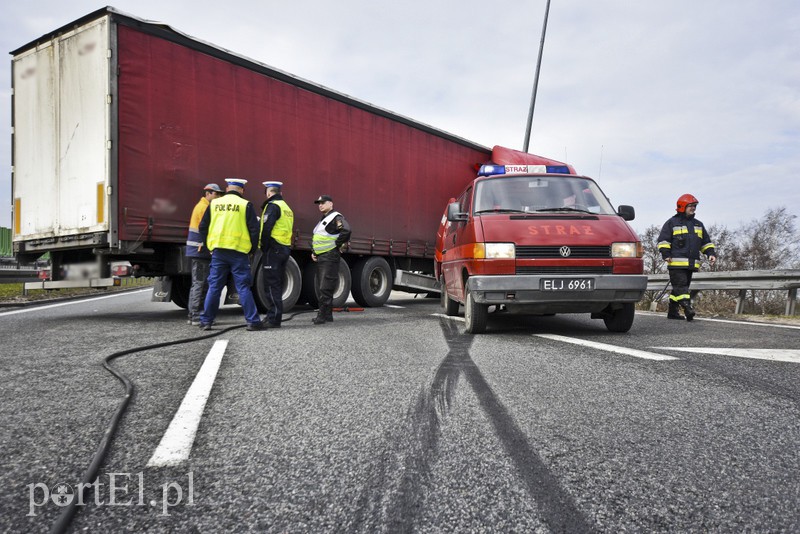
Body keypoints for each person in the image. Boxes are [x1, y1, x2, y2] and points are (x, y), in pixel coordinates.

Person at [198, 178, 263, 331]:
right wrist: (252, 251)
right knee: (243, 287)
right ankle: (252, 322)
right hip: (239, 253)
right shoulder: (245, 205)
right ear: (242, 190)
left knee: (214, 287)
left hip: (219, 252)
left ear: (227, 189)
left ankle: (206, 321)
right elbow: (254, 230)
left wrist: (209, 247)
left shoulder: (214, 204)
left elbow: (203, 227)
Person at [657, 194, 717, 321]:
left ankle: (672, 312)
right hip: (676, 263)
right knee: (682, 287)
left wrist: (710, 253)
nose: (693, 208)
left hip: (691, 264)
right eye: (691, 206)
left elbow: (705, 242)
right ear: (682, 206)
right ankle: (688, 308)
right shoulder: (671, 223)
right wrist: (666, 255)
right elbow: (663, 241)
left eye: (694, 206)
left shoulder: (698, 224)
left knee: (679, 289)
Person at [257, 181, 294, 328]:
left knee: (271, 284)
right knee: (277, 283)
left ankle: (273, 318)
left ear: (268, 192)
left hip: (273, 249)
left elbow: (266, 228)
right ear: (280, 193)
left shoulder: (272, 206)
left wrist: (264, 247)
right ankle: (275, 317)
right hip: (284, 248)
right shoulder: (287, 208)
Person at [310, 194, 351, 325]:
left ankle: (322, 316)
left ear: (331, 204)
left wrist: (336, 244)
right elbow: (320, 238)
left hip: (330, 256)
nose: (320, 205)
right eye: (319, 203)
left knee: (325, 287)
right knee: (323, 285)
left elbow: (346, 230)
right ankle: (328, 315)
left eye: (323, 202)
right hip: (322, 256)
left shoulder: (336, 217)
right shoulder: (324, 219)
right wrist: (314, 252)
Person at [185, 183, 222, 325]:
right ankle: (195, 315)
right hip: (200, 252)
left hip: (199, 251)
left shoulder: (202, 206)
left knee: (199, 283)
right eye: (216, 194)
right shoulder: (204, 207)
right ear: (208, 193)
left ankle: (193, 314)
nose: (218, 197)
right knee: (200, 284)